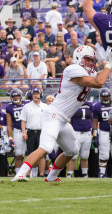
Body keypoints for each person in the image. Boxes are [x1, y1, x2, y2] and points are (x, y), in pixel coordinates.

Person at [12, 45, 112, 182]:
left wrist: (107, 64)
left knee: (72, 150)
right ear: (78, 58)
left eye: (92, 60)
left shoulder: (85, 72)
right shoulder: (72, 69)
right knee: (46, 147)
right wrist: (109, 64)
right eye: (88, 59)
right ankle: (20, 174)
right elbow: (100, 82)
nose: (91, 63)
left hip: (63, 119)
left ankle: (51, 177)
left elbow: (101, 76)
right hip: (53, 115)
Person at [67, 101, 93, 178]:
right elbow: (69, 120)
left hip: (87, 133)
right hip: (76, 132)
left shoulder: (90, 105)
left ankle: (85, 174)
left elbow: (93, 118)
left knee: (85, 156)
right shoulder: (73, 104)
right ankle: (69, 174)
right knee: (73, 156)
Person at [92, 88, 112, 178]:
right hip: (104, 131)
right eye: (104, 97)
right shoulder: (97, 106)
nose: (106, 98)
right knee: (104, 153)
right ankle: (102, 173)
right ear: (100, 97)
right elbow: (95, 122)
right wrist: (95, 134)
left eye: (107, 96)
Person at [6, 89, 26, 174]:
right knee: (18, 155)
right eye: (14, 96)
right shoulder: (9, 107)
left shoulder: (27, 104)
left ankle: (32, 174)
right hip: (18, 132)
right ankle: (18, 174)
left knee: (32, 154)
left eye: (17, 96)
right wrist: (10, 137)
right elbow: (9, 125)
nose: (15, 98)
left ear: (21, 96)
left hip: (29, 131)